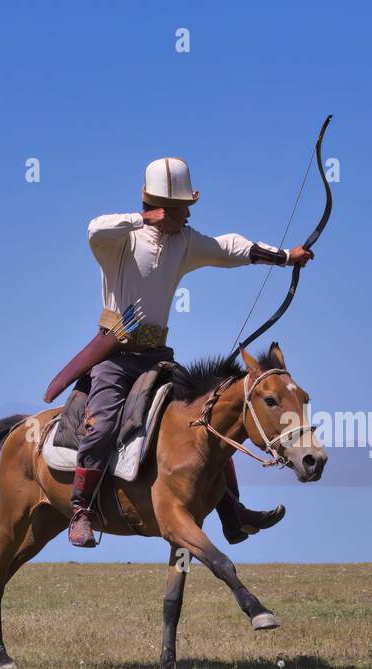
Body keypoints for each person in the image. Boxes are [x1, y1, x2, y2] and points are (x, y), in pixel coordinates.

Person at [66, 156, 313, 548]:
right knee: (103, 424)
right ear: (161, 209)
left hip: (156, 358)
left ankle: (232, 511)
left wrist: (284, 257)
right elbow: (94, 230)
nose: (188, 217)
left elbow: (228, 248)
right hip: (114, 358)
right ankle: (81, 510)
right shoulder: (122, 241)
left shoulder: (184, 242)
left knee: (208, 420)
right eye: (182, 210)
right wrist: (141, 219)